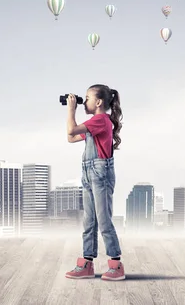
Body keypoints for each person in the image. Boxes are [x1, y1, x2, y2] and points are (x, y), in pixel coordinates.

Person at [64, 84, 125, 281]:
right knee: (89, 221)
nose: (84, 100)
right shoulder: (93, 123)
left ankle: (116, 264)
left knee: (104, 219)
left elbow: (72, 128)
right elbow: (71, 137)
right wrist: (71, 112)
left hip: (100, 173)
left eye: (87, 97)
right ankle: (87, 263)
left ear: (98, 102)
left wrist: (71, 109)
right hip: (89, 174)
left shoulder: (100, 120)